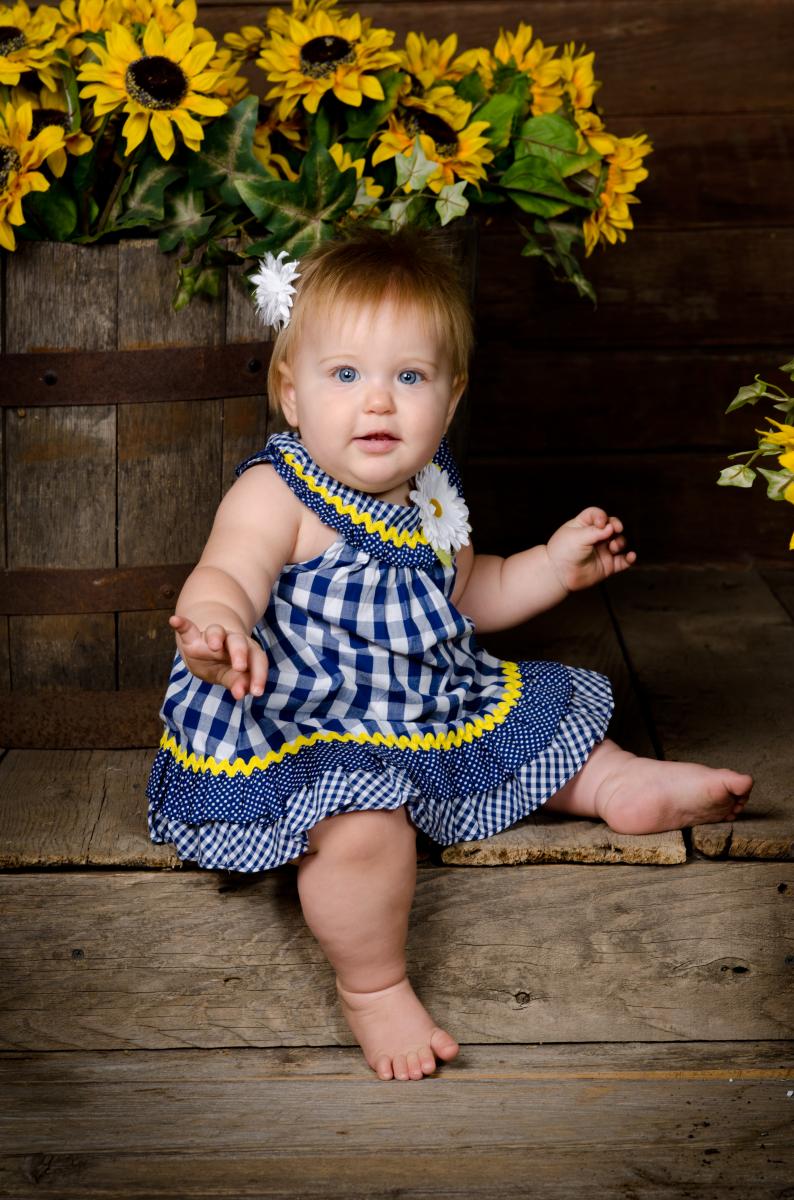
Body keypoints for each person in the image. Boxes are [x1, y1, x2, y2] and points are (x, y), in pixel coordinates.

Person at [146, 229, 752, 1082]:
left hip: (422, 701)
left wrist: (552, 567)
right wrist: (218, 629)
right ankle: (373, 984)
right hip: (305, 723)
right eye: (346, 375)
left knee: (538, 722)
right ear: (292, 394)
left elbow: (469, 597)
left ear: (451, 395)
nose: (380, 403)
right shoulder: (275, 492)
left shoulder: (434, 496)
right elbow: (226, 573)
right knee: (363, 827)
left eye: (410, 377)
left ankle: (621, 785)